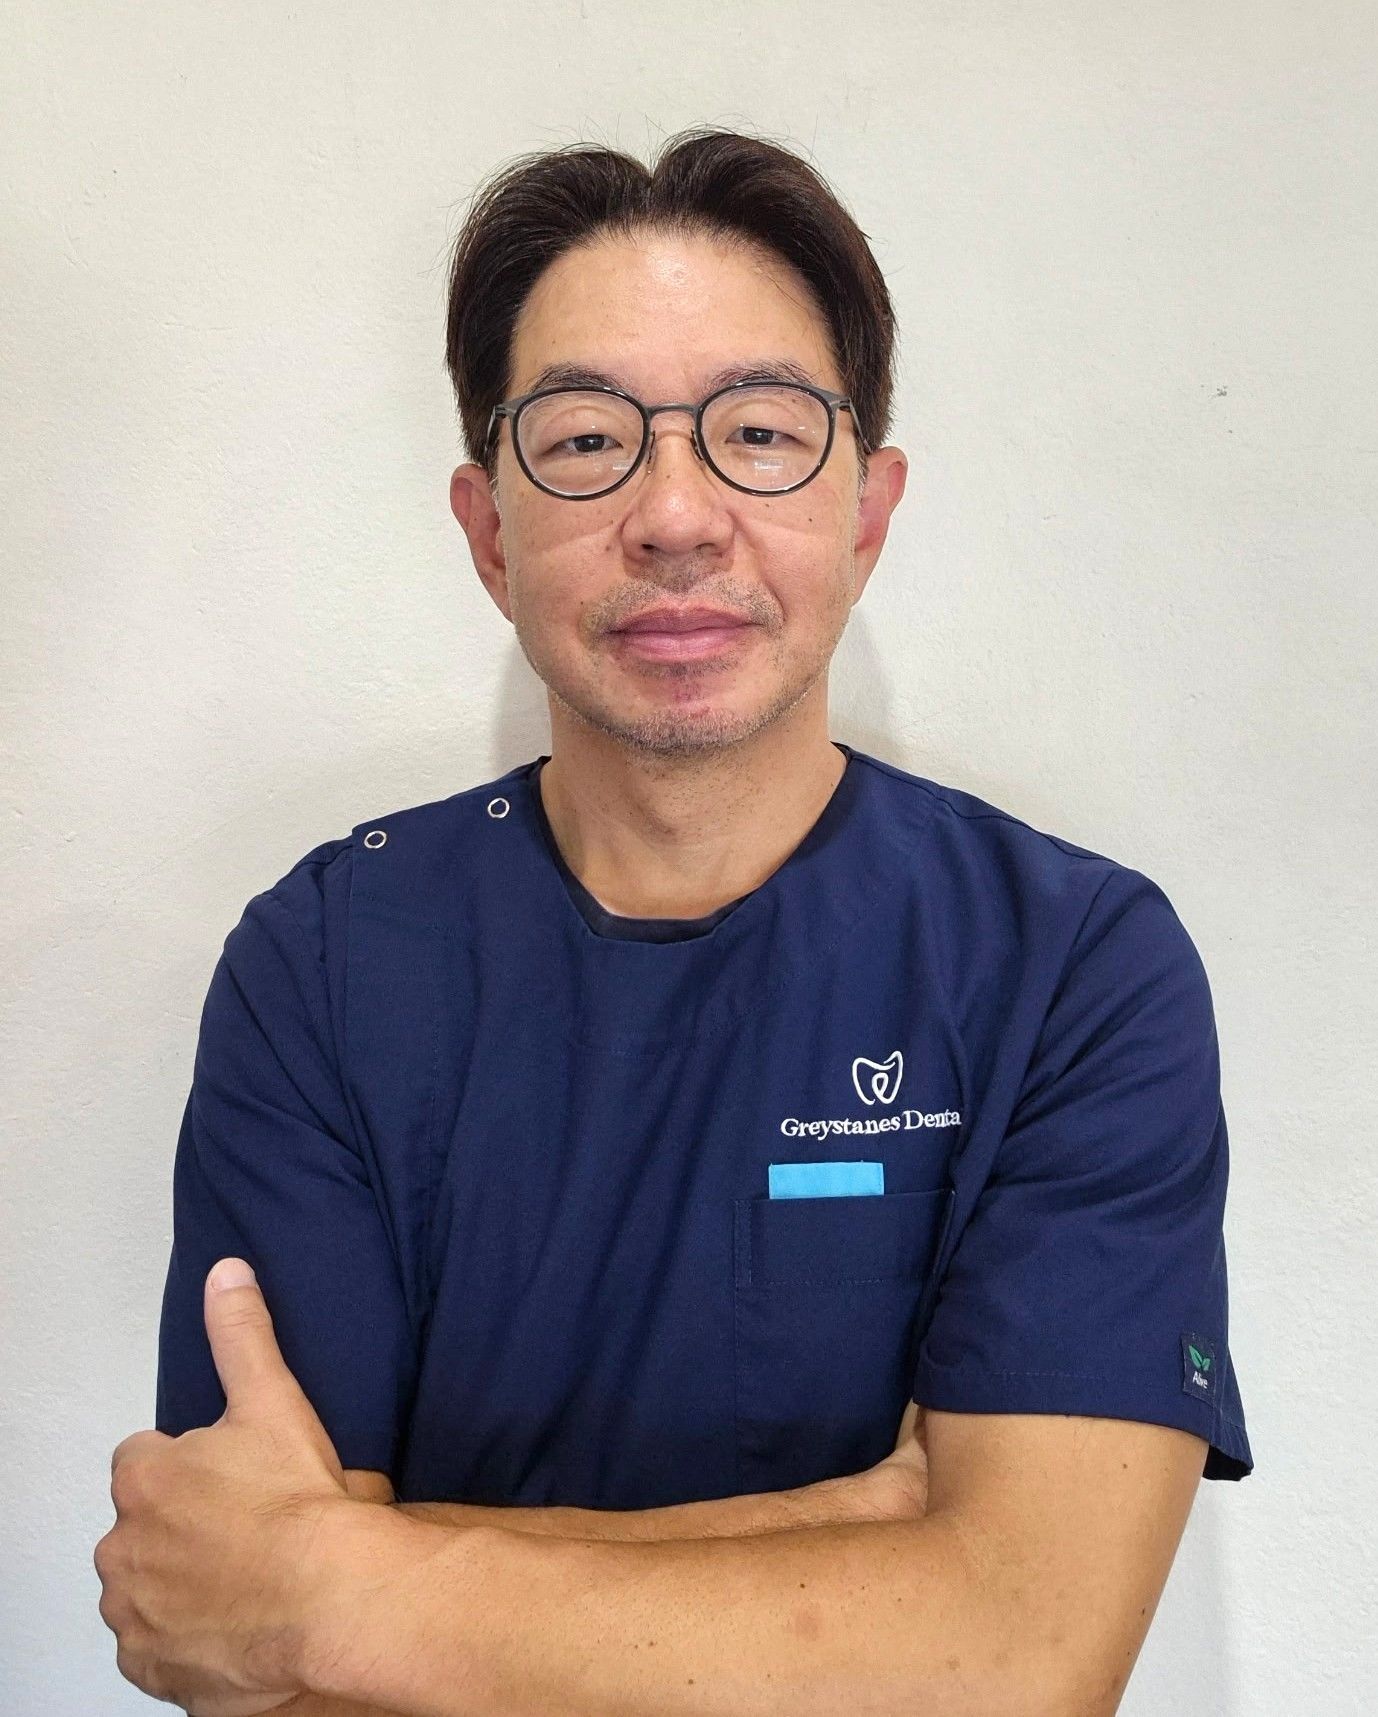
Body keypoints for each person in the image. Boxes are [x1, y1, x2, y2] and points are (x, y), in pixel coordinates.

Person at [97, 126, 1252, 1716]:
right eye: (584, 440)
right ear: (487, 526)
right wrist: (874, 1530)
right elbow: (245, 1646)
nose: (676, 514)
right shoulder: (325, 964)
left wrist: (347, 1584)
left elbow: (1024, 1655)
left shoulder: (1071, 965)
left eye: (760, 431)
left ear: (867, 508)